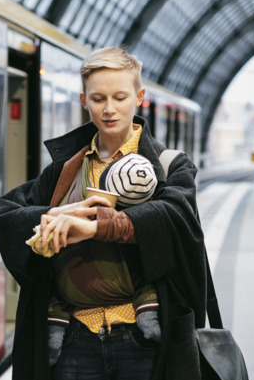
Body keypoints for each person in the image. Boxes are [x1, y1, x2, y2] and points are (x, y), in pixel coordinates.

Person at [0, 47, 209, 380]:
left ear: (139, 98)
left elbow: (175, 221)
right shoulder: (66, 171)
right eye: (97, 98)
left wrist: (91, 224)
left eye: (118, 96)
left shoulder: (170, 165)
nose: (109, 108)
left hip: (145, 339)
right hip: (77, 339)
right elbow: (9, 213)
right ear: (84, 102)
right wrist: (50, 222)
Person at [32, 153, 162, 367]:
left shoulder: (162, 164)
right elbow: (12, 212)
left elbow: (168, 223)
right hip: (78, 331)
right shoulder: (67, 166)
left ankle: (147, 316)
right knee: (60, 283)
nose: (109, 115)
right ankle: (55, 330)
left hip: (133, 335)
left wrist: (96, 228)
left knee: (142, 277)